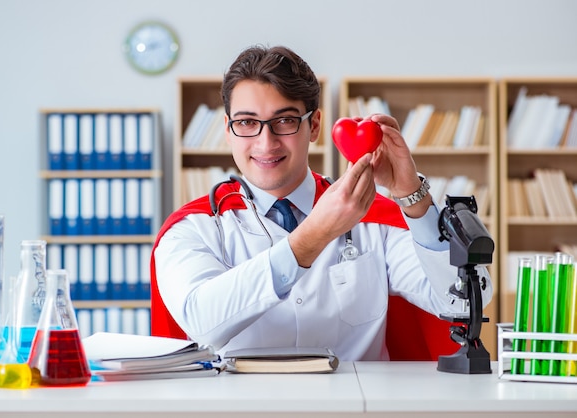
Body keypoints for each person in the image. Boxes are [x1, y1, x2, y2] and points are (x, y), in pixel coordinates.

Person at [150, 44, 493, 361]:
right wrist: (313, 235)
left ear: (313, 125)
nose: (265, 142)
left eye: (284, 120)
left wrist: (412, 196)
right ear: (228, 129)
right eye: (247, 123)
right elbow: (201, 323)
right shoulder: (193, 228)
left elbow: (462, 303)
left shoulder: (376, 220)